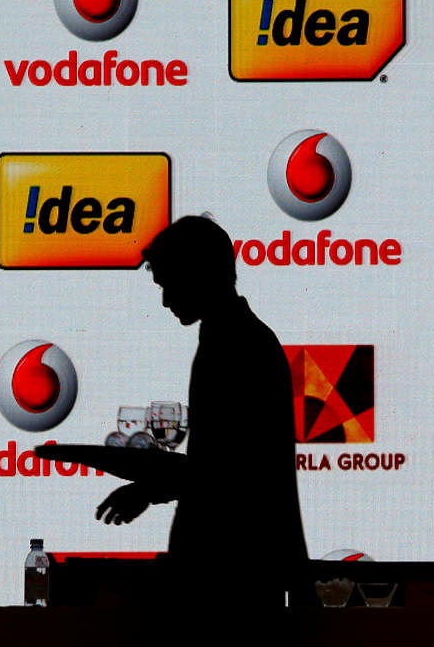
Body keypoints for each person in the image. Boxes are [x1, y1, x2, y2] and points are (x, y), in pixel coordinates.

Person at [95, 215, 308, 602]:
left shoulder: (236, 346)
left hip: (228, 576)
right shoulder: (239, 338)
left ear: (197, 272)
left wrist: (147, 488)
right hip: (239, 571)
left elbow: (229, 471)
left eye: (168, 283)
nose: (164, 299)